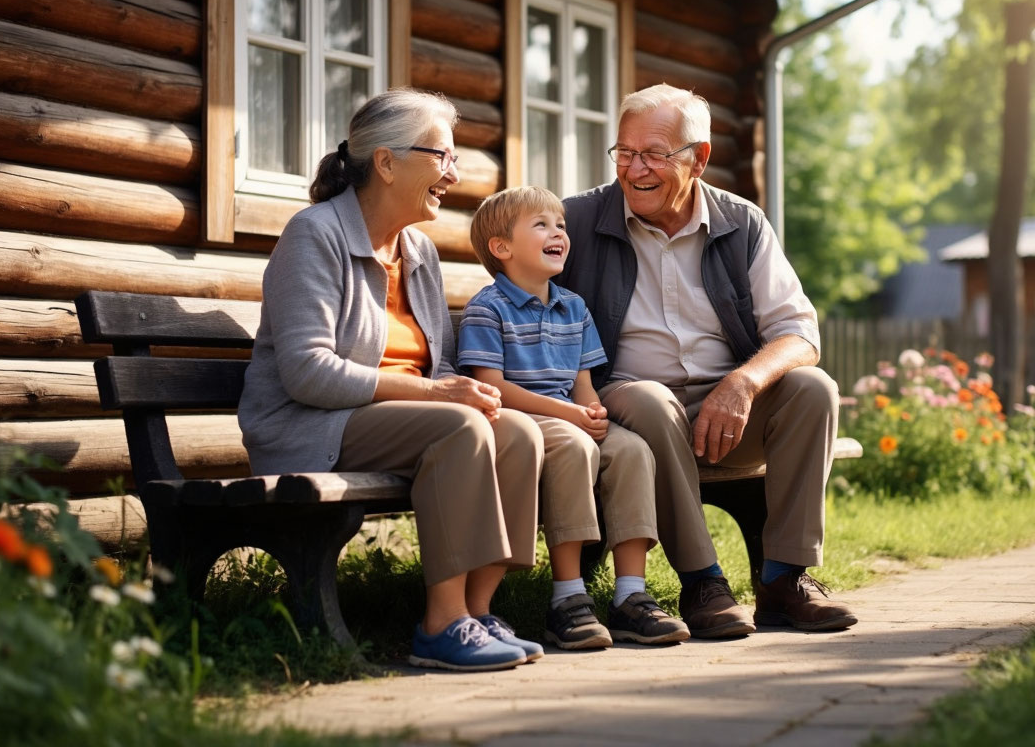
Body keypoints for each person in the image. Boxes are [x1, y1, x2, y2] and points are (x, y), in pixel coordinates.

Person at [238, 88, 546, 672]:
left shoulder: (418, 250)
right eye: (442, 156)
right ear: (386, 161)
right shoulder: (314, 234)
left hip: (398, 418)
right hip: (314, 424)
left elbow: (440, 366)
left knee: (518, 433)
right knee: (459, 427)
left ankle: (477, 612)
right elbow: (307, 373)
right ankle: (442, 623)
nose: (452, 174)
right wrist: (438, 394)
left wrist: (460, 391)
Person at [556, 83, 857, 636]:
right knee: (651, 399)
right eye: (625, 152)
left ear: (700, 158)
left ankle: (784, 580)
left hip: (726, 411)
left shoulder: (741, 222)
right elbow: (511, 282)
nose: (635, 169)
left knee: (814, 388)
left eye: (655, 154)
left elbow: (799, 332)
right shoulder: (576, 220)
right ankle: (702, 582)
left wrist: (743, 382)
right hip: (626, 400)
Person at [458, 186, 690, 649]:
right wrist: (571, 416)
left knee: (630, 449)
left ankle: (630, 596)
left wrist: (592, 411)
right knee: (573, 443)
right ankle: (567, 597)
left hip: (568, 415)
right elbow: (493, 388)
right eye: (540, 225)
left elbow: (583, 383)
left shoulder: (574, 307)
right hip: (518, 418)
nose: (557, 232)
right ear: (501, 248)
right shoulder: (488, 308)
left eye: (560, 224)